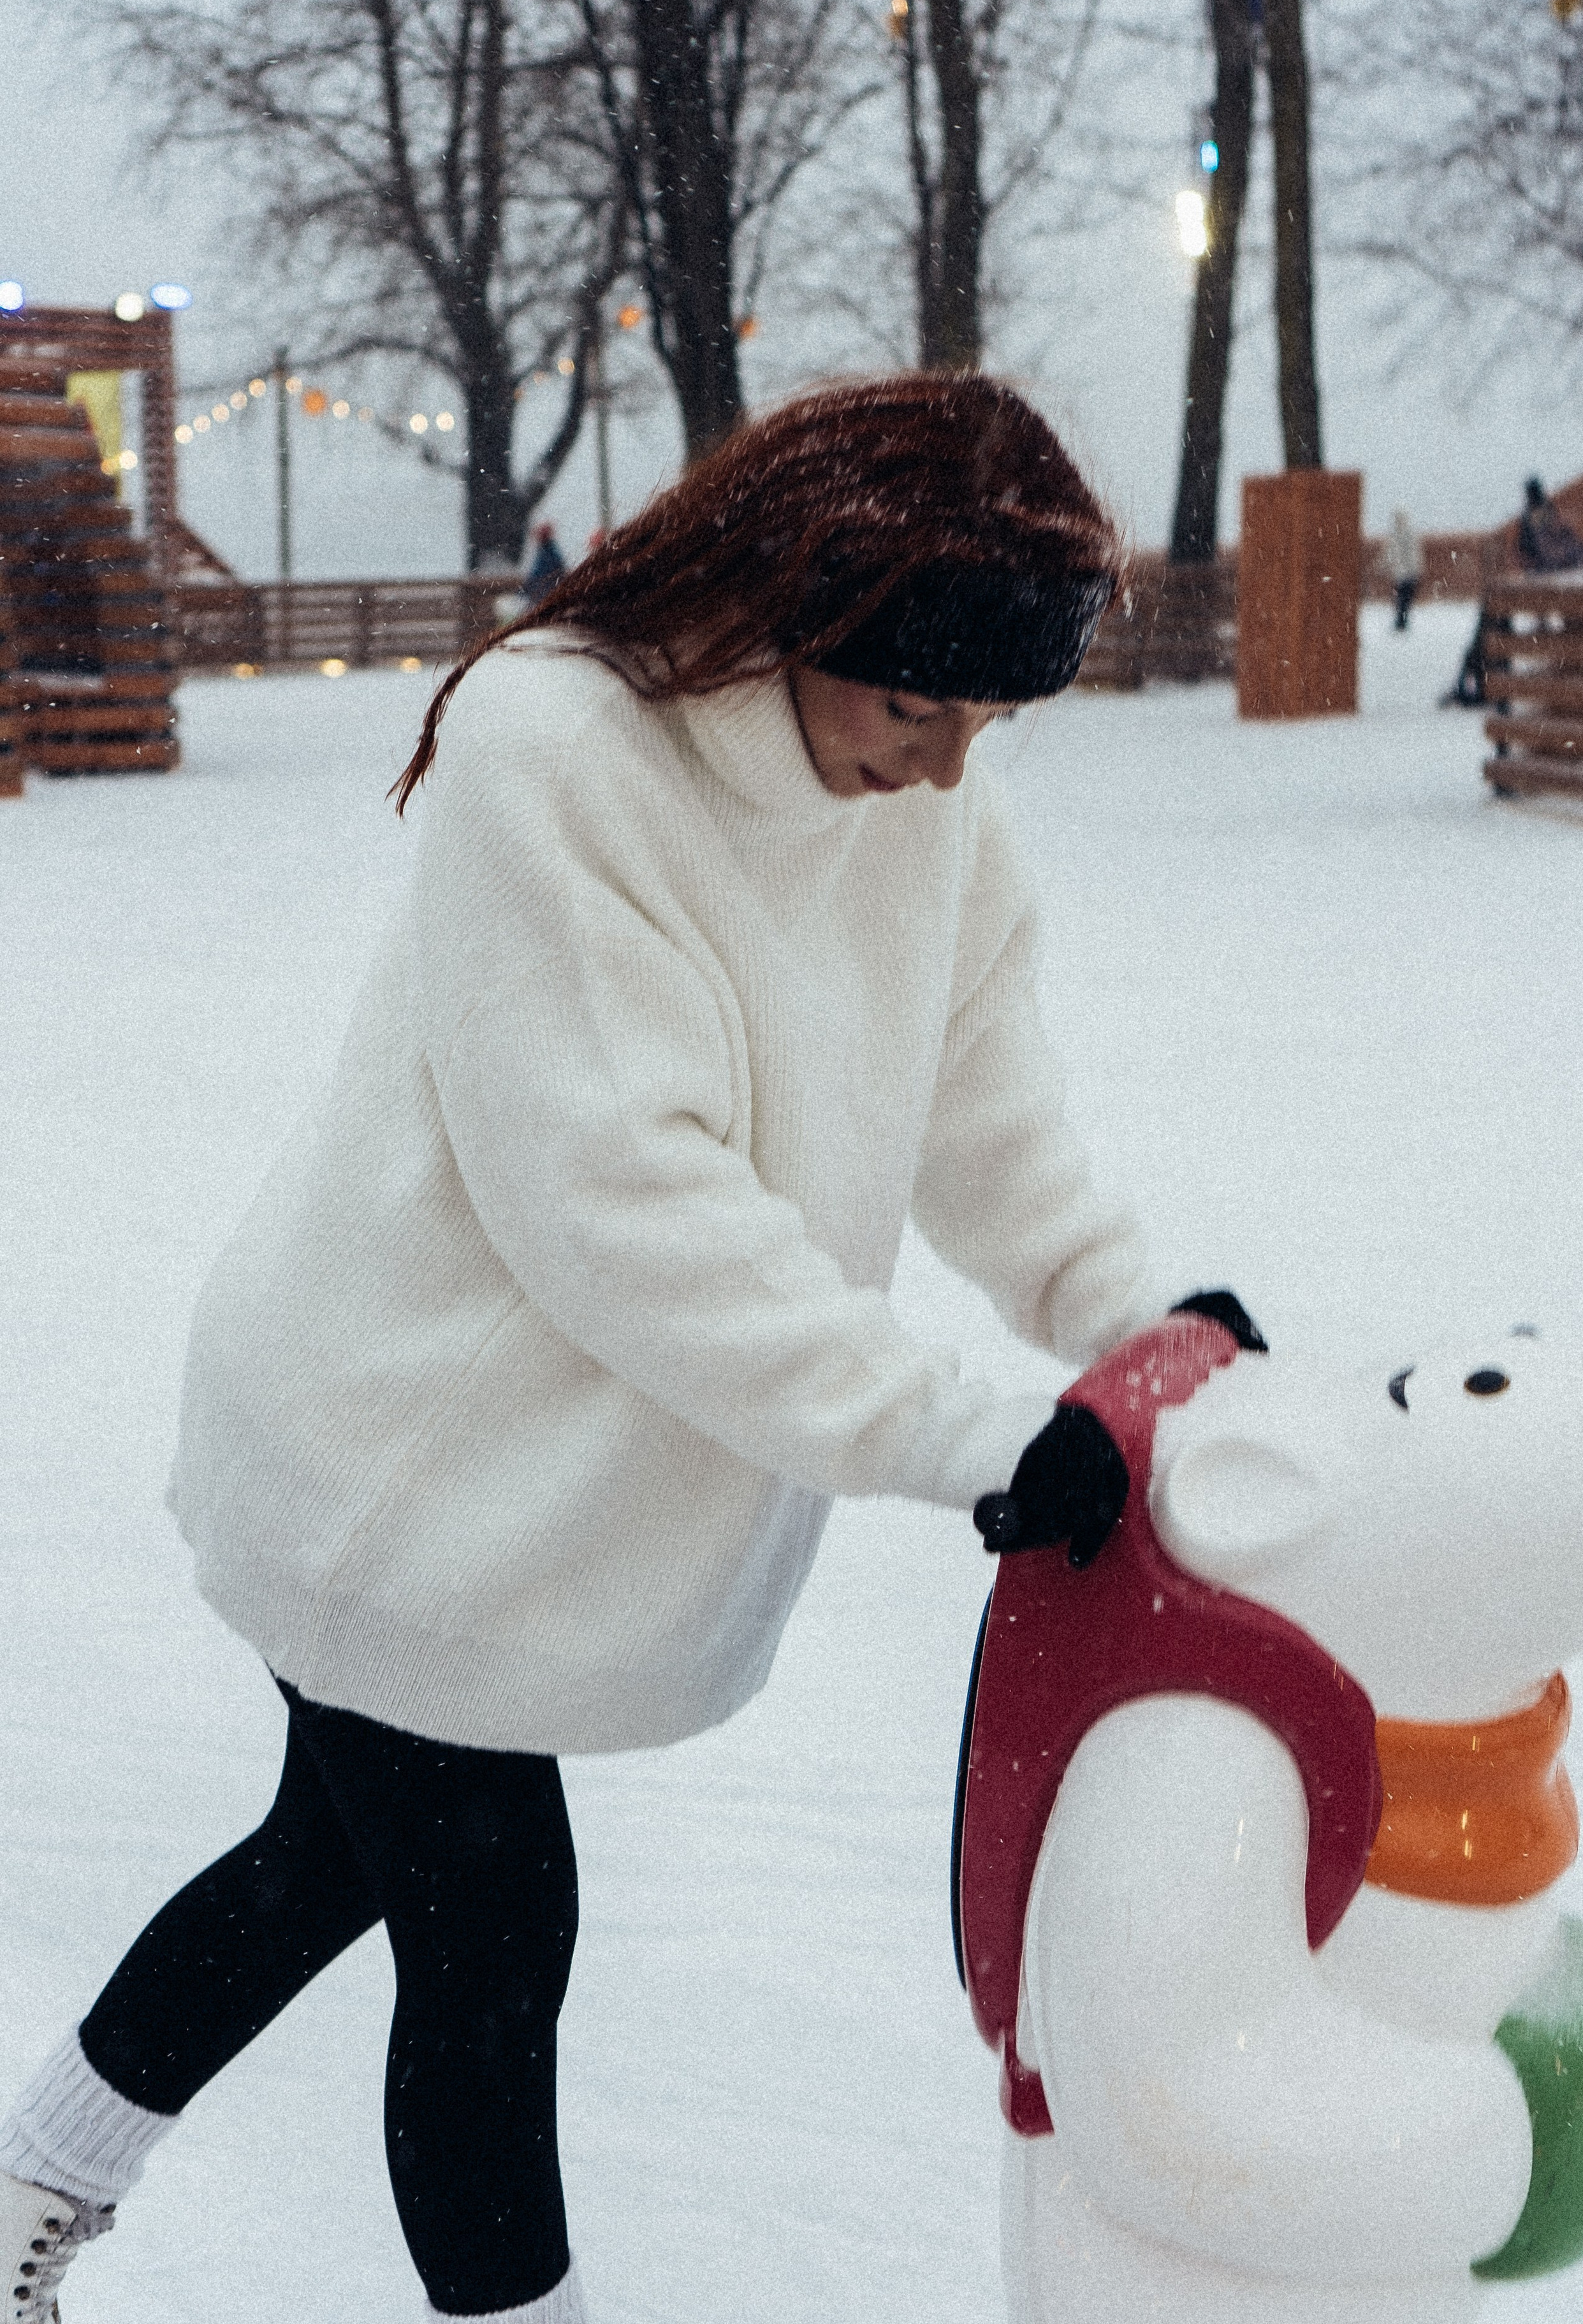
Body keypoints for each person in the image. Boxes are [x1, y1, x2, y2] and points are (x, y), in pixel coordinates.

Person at [0, 372, 1258, 2324]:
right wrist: (957, 1430)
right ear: (796, 613)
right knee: (497, 1926)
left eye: (982, 723)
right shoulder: (562, 750)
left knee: (326, 1863)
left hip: (553, 1490)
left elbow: (983, 1109)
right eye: (913, 707)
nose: (939, 770)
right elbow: (617, 1202)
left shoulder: (920, 807)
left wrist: (1131, 1327)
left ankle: (28, 2184)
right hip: (401, 1455)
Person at [1515, 476, 1583, 574]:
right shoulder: (1530, 516)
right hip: (1544, 561)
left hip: (1551, 559)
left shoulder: (1543, 510)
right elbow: (1534, 542)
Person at [1386, 506, 1422, 632]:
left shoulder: (1403, 535)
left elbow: (1407, 554)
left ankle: (1401, 623)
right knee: (1404, 600)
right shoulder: (1403, 534)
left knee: (1403, 599)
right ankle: (1402, 622)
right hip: (1406, 573)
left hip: (1405, 573)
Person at [522, 518, 567, 599]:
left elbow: (540, 575)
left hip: (546, 593)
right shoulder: (545, 552)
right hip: (542, 592)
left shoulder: (550, 554)